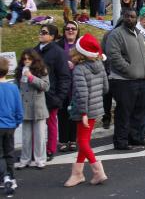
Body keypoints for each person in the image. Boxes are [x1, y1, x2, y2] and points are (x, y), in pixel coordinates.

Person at [105, 9, 145, 150]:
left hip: (142, 80)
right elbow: (114, 56)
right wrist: (129, 70)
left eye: (133, 17)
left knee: (140, 111)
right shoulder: (116, 34)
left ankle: (136, 137)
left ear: (136, 19)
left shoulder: (141, 36)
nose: (130, 19)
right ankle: (121, 141)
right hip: (124, 81)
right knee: (124, 112)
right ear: (123, 18)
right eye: (127, 16)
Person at [64, 33, 109, 187]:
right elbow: (105, 88)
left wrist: (83, 112)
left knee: (82, 142)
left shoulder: (79, 70)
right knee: (84, 141)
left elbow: (82, 93)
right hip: (96, 108)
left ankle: (98, 171)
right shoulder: (100, 65)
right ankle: (77, 173)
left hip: (84, 110)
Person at [34, 24, 71, 161]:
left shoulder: (58, 52)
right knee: (36, 125)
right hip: (36, 95)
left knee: (51, 124)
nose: (41, 34)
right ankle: (36, 150)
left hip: (51, 95)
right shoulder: (34, 51)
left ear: (52, 36)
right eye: (40, 31)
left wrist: (59, 97)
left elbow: (64, 76)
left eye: (44, 32)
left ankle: (50, 150)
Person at [14, 49, 49, 170]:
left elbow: (45, 86)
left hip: (37, 106)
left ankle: (40, 159)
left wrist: (31, 77)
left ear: (34, 60)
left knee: (39, 136)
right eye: (25, 59)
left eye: (29, 59)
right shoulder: (19, 71)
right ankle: (25, 159)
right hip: (24, 106)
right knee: (26, 136)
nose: (27, 61)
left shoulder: (41, 70)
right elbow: (17, 88)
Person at [0, 57, 23, 196]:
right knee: (9, 152)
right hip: (10, 125)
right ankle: (11, 177)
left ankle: (4, 177)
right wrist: (17, 122)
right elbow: (18, 108)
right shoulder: (13, 87)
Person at [56, 21, 80, 152]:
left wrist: (75, 65)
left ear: (77, 31)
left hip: (77, 84)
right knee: (63, 113)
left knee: (75, 113)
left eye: (73, 29)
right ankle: (63, 140)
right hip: (63, 85)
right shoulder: (58, 46)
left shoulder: (80, 45)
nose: (70, 31)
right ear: (64, 31)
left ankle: (73, 140)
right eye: (67, 29)